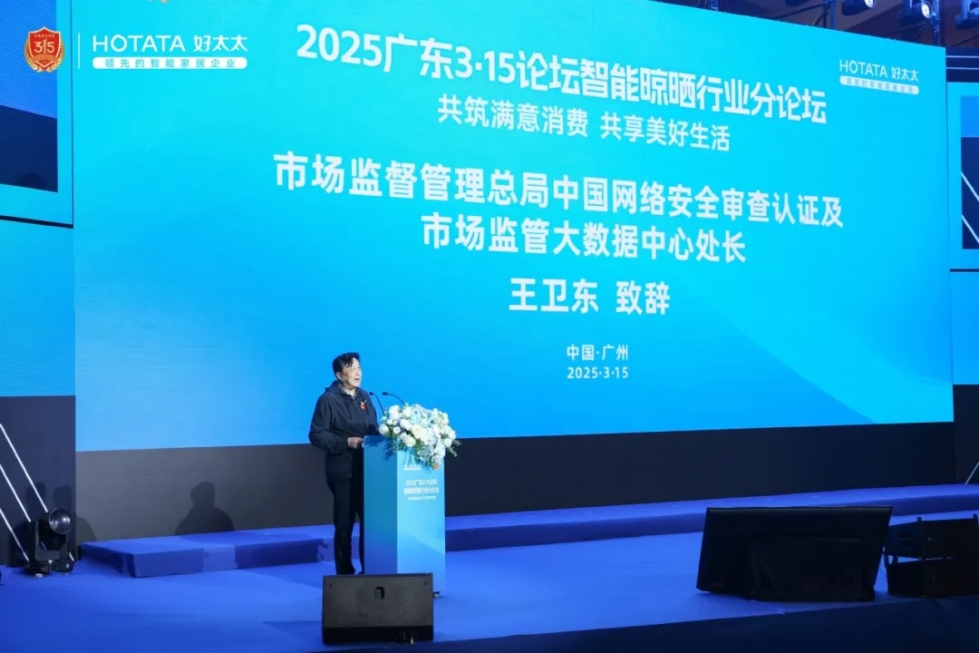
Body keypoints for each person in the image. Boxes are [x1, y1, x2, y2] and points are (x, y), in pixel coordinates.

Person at [308, 352, 378, 575]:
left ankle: (370, 570)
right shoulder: (327, 400)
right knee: (344, 525)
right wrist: (346, 442)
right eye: (352, 369)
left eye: (359, 368)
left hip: (368, 471)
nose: (358, 373)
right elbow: (316, 435)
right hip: (343, 472)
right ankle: (345, 573)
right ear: (339, 375)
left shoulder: (365, 396)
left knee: (371, 524)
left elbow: (373, 428)